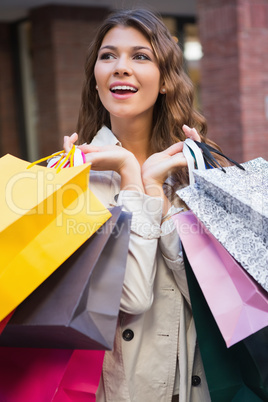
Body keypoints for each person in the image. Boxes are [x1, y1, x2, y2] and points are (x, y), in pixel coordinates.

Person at [60, 8, 222, 402]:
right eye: (108, 56)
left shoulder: (195, 169)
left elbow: (214, 299)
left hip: (197, 384)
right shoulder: (71, 178)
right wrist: (131, 178)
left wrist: (156, 189)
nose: (120, 67)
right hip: (124, 389)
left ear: (165, 80)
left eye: (140, 56)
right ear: (95, 78)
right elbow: (130, 298)